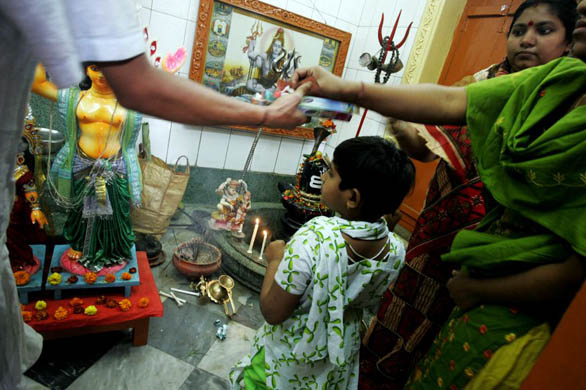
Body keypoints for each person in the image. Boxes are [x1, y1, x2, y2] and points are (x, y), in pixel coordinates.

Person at [0, 1, 310, 388]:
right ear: (87, 68)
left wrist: (260, 114)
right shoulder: (75, 99)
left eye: (105, 66)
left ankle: (108, 255)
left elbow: (146, 90)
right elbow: (33, 77)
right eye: (94, 67)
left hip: (111, 171)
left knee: (113, 222)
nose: (101, 74)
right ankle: (82, 250)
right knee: (82, 218)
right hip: (81, 169)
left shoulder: (126, 107)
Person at [291, 0, 586, 387]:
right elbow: (442, 112)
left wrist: (480, 287)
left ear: (566, 43)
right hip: (441, 234)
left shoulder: (560, 91)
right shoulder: (517, 82)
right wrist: (358, 94)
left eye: (544, 31)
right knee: (406, 318)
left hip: (510, 275)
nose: (527, 41)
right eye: (518, 30)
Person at [229, 136, 415, 389]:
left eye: (331, 172)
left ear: (352, 197)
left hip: (292, 351)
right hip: (339, 353)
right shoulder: (395, 249)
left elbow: (273, 312)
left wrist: (275, 260)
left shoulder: (315, 237)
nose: (324, 177)